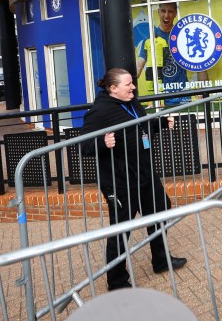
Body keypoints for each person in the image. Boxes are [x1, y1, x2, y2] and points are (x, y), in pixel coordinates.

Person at [80, 68, 187, 291]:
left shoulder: (131, 102)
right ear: (113, 88)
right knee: (121, 229)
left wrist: (158, 124)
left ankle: (160, 260)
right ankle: (117, 282)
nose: (133, 87)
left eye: (132, 83)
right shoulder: (99, 111)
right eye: (128, 84)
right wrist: (102, 143)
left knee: (160, 211)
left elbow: (140, 127)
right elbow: (84, 145)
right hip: (120, 181)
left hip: (144, 172)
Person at [136, 0, 192, 105]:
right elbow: (139, 66)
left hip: (182, 97)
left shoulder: (182, 35)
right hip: (160, 99)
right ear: (158, 12)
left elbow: (200, 63)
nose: (166, 15)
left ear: (175, 13)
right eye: (163, 11)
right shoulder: (151, 38)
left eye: (170, 11)